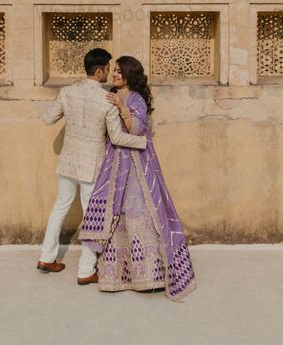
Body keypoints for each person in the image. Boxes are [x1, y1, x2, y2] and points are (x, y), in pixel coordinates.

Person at [79, 56, 196, 301]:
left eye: (120, 72)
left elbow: (136, 130)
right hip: (114, 162)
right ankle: (117, 275)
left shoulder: (135, 99)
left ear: (130, 74)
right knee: (116, 213)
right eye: (115, 71)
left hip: (136, 165)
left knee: (138, 210)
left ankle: (149, 276)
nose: (115, 75)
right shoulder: (111, 94)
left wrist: (122, 108)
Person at [38, 48, 148, 285]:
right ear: (98, 71)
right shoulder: (107, 100)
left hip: (68, 163)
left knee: (60, 207)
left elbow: (48, 118)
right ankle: (86, 270)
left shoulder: (67, 93)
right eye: (108, 69)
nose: (110, 73)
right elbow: (118, 138)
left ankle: (46, 257)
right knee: (92, 217)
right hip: (91, 167)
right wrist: (142, 141)